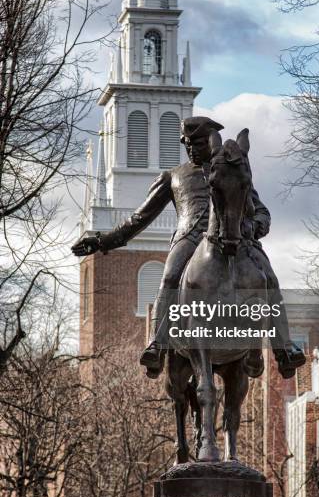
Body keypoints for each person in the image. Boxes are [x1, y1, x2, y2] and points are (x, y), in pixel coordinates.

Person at [72, 117, 305, 378]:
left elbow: (261, 212)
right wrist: (102, 241)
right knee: (170, 277)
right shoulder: (173, 177)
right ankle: (157, 345)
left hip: (234, 238)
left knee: (269, 278)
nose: (191, 149)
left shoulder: (232, 169)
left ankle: (284, 348)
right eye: (186, 143)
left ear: (211, 141)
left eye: (197, 143)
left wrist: (254, 227)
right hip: (190, 239)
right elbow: (138, 219)